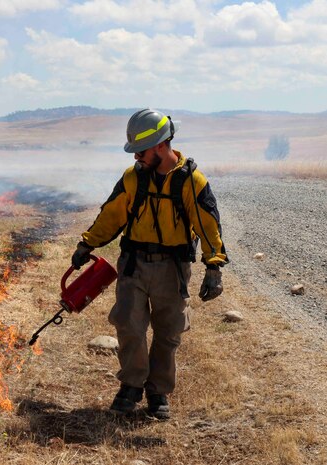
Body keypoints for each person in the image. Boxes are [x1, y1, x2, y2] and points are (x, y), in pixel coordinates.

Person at [71, 108, 228, 419]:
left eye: (140, 151)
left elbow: (208, 224)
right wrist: (86, 243)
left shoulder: (191, 181)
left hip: (173, 269)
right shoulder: (133, 178)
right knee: (128, 324)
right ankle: (131, 385)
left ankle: (158, 392)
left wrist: (214, 266)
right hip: (134, 265)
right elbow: (112, 214)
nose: (135, 158)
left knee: (168, 332)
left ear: (160, 146)